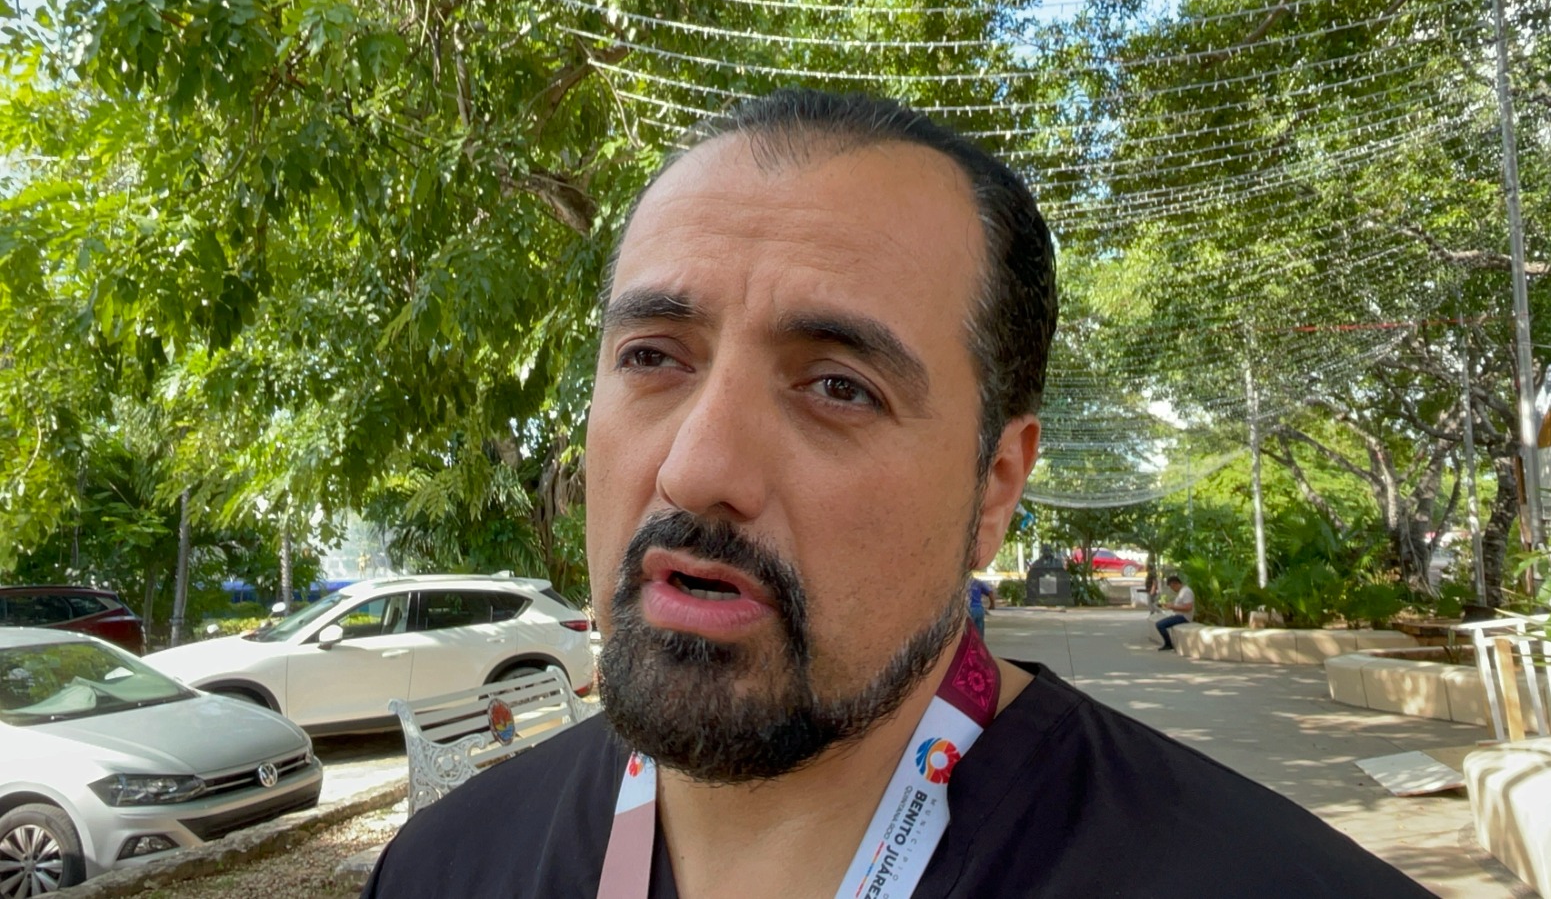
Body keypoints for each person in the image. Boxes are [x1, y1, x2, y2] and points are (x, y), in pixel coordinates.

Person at [362, 89, 1429, 898]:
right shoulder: (443, 869)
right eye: (653, 357)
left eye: (839, 387)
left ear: (994, 487)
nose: (696, 469)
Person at [1155, 574, 1196, 651]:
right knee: (1160, 623)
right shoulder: (1182, 592)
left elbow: (1188, 607)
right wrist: (1169, 605)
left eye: (1172, 587)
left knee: (1160, 625)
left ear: (1175, 584)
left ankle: (1168, 644)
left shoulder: (1186, 592)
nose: (1172, 589)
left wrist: (1173, 607)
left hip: (1184, 617)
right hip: (1178, 615)